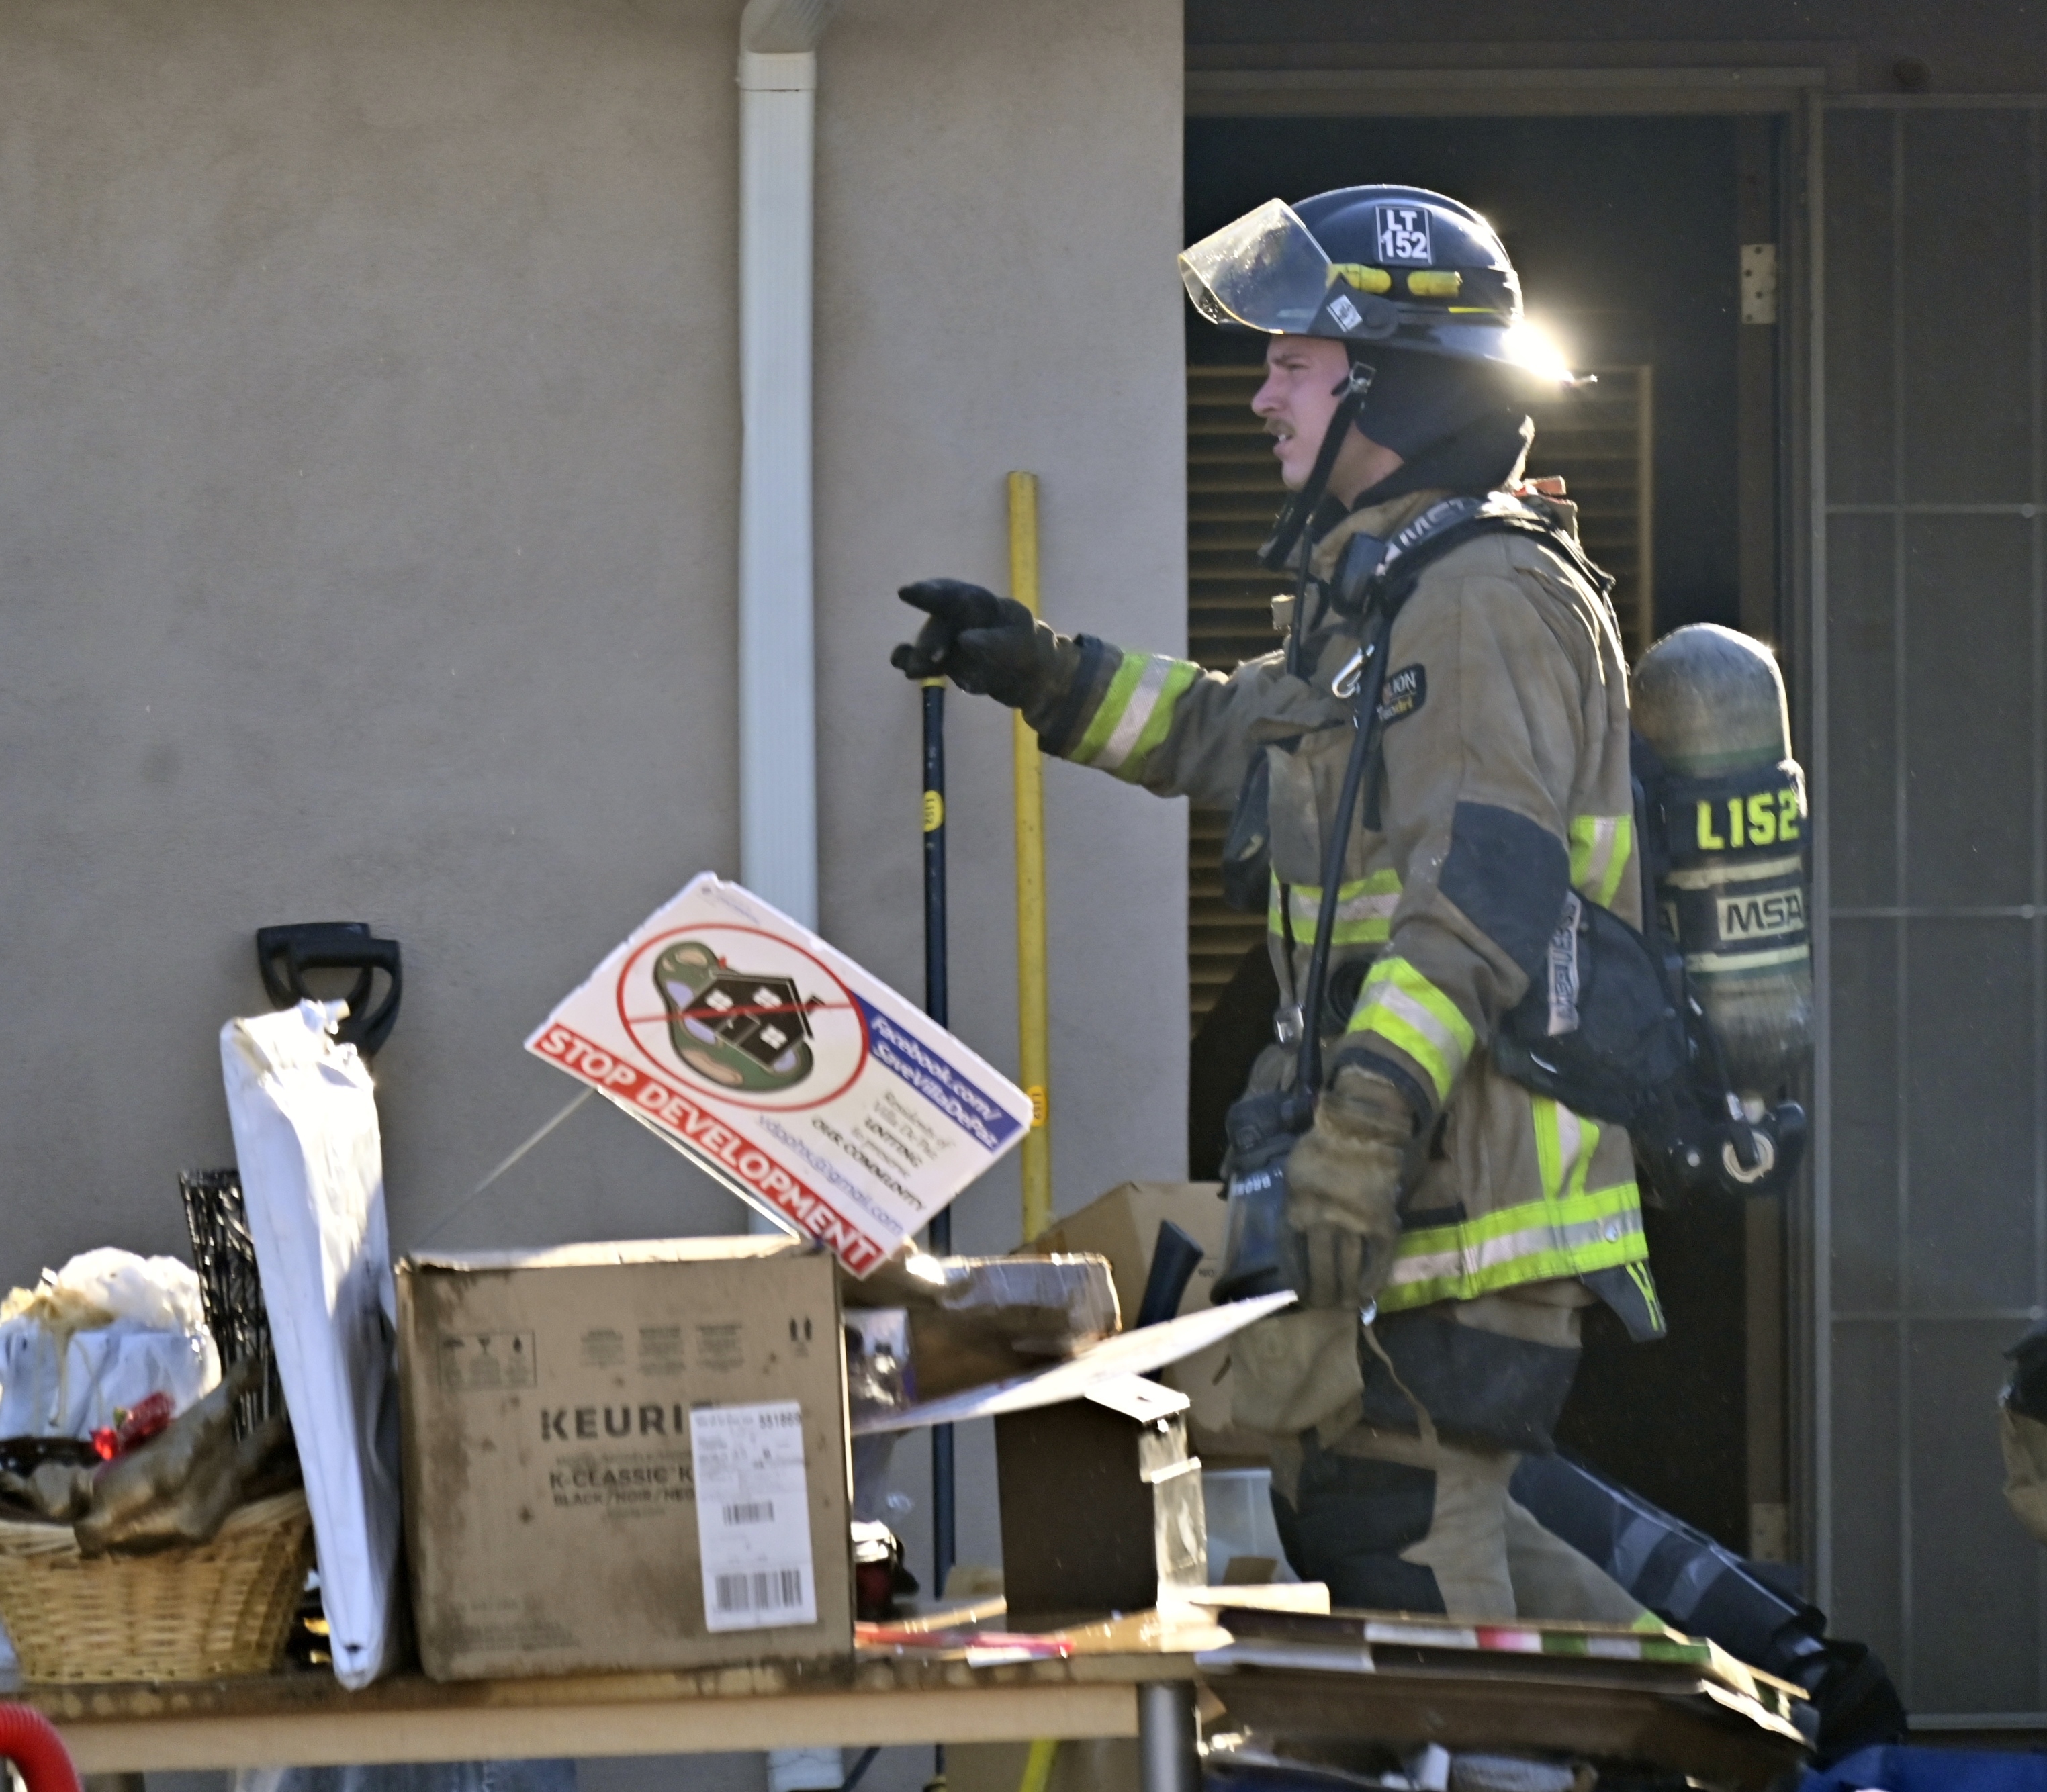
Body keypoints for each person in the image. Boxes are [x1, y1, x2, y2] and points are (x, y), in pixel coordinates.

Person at [889, 185, 1662, 1619]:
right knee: (1405, 1525)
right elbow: (1229, 729)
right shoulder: (1386, 595)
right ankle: (1737, 1713)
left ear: (1387, 382)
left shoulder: (1484, 598)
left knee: (1403, 1542)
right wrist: (1042, 670)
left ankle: (1561, 1735)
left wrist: (1358, 1142)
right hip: (1411, 1199)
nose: (1260, 398)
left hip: (1461, 1208)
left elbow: (1478, 900)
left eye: (1291, 365)